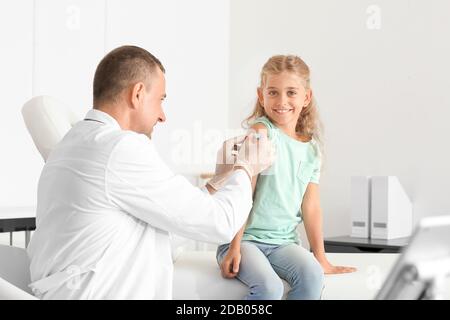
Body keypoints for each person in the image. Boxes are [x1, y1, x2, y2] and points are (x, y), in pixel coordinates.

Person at [26, 45, 274, 299]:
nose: (162, 116)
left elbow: (169, 223)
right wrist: (247, 166)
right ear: (138, 93)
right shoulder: (120, 148)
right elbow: (221, 224)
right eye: (161, 100)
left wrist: (219, 180)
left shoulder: (75, 142)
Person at [210, 55, 356, 300]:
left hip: (283, 243)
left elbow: (311, 207)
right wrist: (234, 246)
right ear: (261, 95)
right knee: (269, 288)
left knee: (312, 277)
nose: (282, 101)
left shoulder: (311, 150)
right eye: (273, 92)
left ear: (306, 97)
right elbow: (243, 190)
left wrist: (320, 257)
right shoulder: (261, 133)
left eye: (291, 93)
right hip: (246, 239)